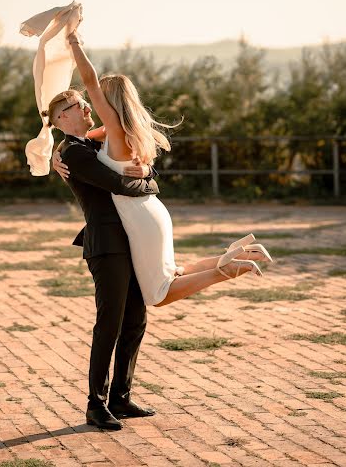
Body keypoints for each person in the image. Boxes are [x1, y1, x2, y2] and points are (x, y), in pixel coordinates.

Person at [51, 31, 273, 308]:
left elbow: (90, 82)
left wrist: (75, 45)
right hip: (151, 210)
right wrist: (55, 154)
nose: (91, 104)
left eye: (97, 100)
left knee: (159, 292)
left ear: (109, 103)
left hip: (137, 216)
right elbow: (76, 141)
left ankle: (227, 270)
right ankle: (229, 258)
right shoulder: (115, 132)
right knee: (172, 271)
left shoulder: (115, 131)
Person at [46, 89, 159, 431]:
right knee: (109, 323)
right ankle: (96, 404)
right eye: (76, 105)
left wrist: (147, 173)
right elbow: (119, 184)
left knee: (136, 319)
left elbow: (121, 142)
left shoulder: (89, 145)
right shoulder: (74, 153)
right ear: (62, 118)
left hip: (130, 240)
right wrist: (150, 185)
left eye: (84, 100)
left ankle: (121, 398)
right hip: (106, 245)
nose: (85, 107)